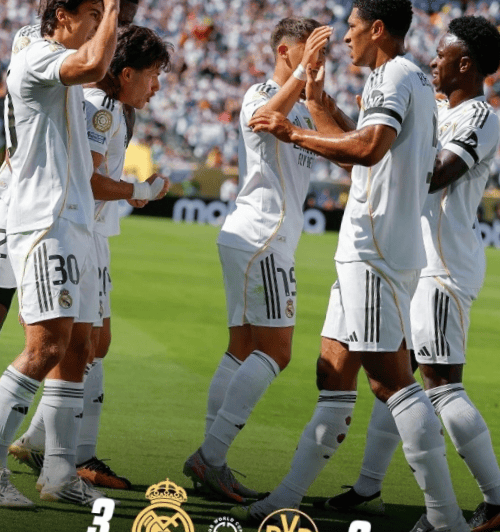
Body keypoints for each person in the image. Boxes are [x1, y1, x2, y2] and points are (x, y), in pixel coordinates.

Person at [236, 1, 471, 531]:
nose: (345, 38)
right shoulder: (407, 77)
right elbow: (353, 153)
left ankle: (446, 517)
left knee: (392, 383)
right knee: (332, 373)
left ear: (378, 30)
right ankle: (286, 498)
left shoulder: (394, 76)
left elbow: (366, 148)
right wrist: (315, 100)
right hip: (370, 249)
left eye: (354, 28)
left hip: (376, 250)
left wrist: (292, 132)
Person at [317, 16, 500, 532]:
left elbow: (437, 174)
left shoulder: (482, 116)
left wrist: (381, 149)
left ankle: (496, 498)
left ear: (465, 64)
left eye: (442, 55)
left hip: (443, 264)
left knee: (440, 384)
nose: (433, 61)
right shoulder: (437, 107)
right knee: (396, 376)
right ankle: (369, 486)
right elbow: (379, 149)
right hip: (413, 259)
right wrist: (335, 114)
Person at [8, 24, 171, 491]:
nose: (156, 86)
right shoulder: (99, 107)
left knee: (86, 346)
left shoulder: (106, 105)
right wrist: (140, 190)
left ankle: (49, 453)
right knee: (61, 347)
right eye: (152, 74)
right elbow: (91, 179)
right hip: (73, 230)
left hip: (85, 230)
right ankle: (57, 453)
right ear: (125, 73)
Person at [183, 18, 332, 504]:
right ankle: (211, 456)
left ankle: (213, 463)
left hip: (263, 238)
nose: (319, 57)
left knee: (243, 347)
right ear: (285, 50)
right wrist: (302, 75)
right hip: (262, 236)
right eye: (309, 49)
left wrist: (317, 91)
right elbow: (262, 118)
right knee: (277, 352)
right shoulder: (261, 91)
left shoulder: (305, 104)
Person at [0, 0, 119, 508]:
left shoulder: (48, 55)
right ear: (64, 16)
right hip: (45, 220)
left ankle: (59, 471)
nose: (99, 23)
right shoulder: (37, 56)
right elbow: (94, 64)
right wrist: (113, 7)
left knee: (74, 349)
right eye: (92, 12)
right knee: (44, 349)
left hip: (70, 221)